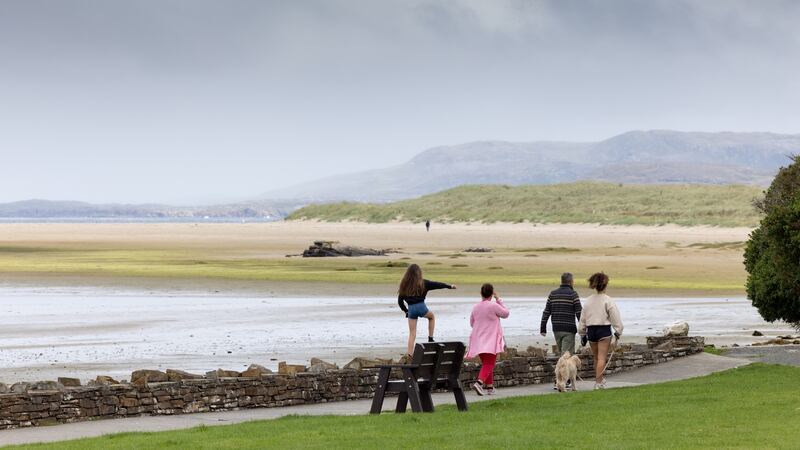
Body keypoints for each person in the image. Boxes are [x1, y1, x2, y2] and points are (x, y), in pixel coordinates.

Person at [397, 264, 456, 356]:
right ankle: (430, 338)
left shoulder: (404, 285)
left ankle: (409, 354)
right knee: (431, 317)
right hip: (421, 307)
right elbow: (437, 284)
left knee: (412, 333)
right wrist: (449, 286)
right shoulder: (423, 283)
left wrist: (406, 311)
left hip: (411, 309)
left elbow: (400, 301)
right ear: (419, 273)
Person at [578, 272, 623, 390]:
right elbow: (615, 317)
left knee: (596, 358)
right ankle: (598, 382)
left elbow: (583, 319)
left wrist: (582, 333)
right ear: (605, 285)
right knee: (602, 358)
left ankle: (600, 379)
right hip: (603, 330)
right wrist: (618, 330)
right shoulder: (608, 300)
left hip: (591, 331)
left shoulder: (588, 300)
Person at [540, 272, 582, 390]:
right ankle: (563, 382)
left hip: (556, 328)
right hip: (568, 329)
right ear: (571, 282)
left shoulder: (552, 294)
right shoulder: (573, 294)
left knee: (562, 355)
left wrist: (543, 327)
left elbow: (546, 311)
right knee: (566, 356)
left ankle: (560, 380)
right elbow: (579, 312)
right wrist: (583, 329)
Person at [466, 283, 509, 396]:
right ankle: (479, 383)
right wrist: (498, 299)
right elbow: (506, 313)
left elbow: (472, 323)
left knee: (486, 363)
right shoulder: (493, 306)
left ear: (481, 293)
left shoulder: (476, 307)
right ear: (492, 293)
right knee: (489, 363)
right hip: (491, 339)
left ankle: (490, 387)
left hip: (478, 339)